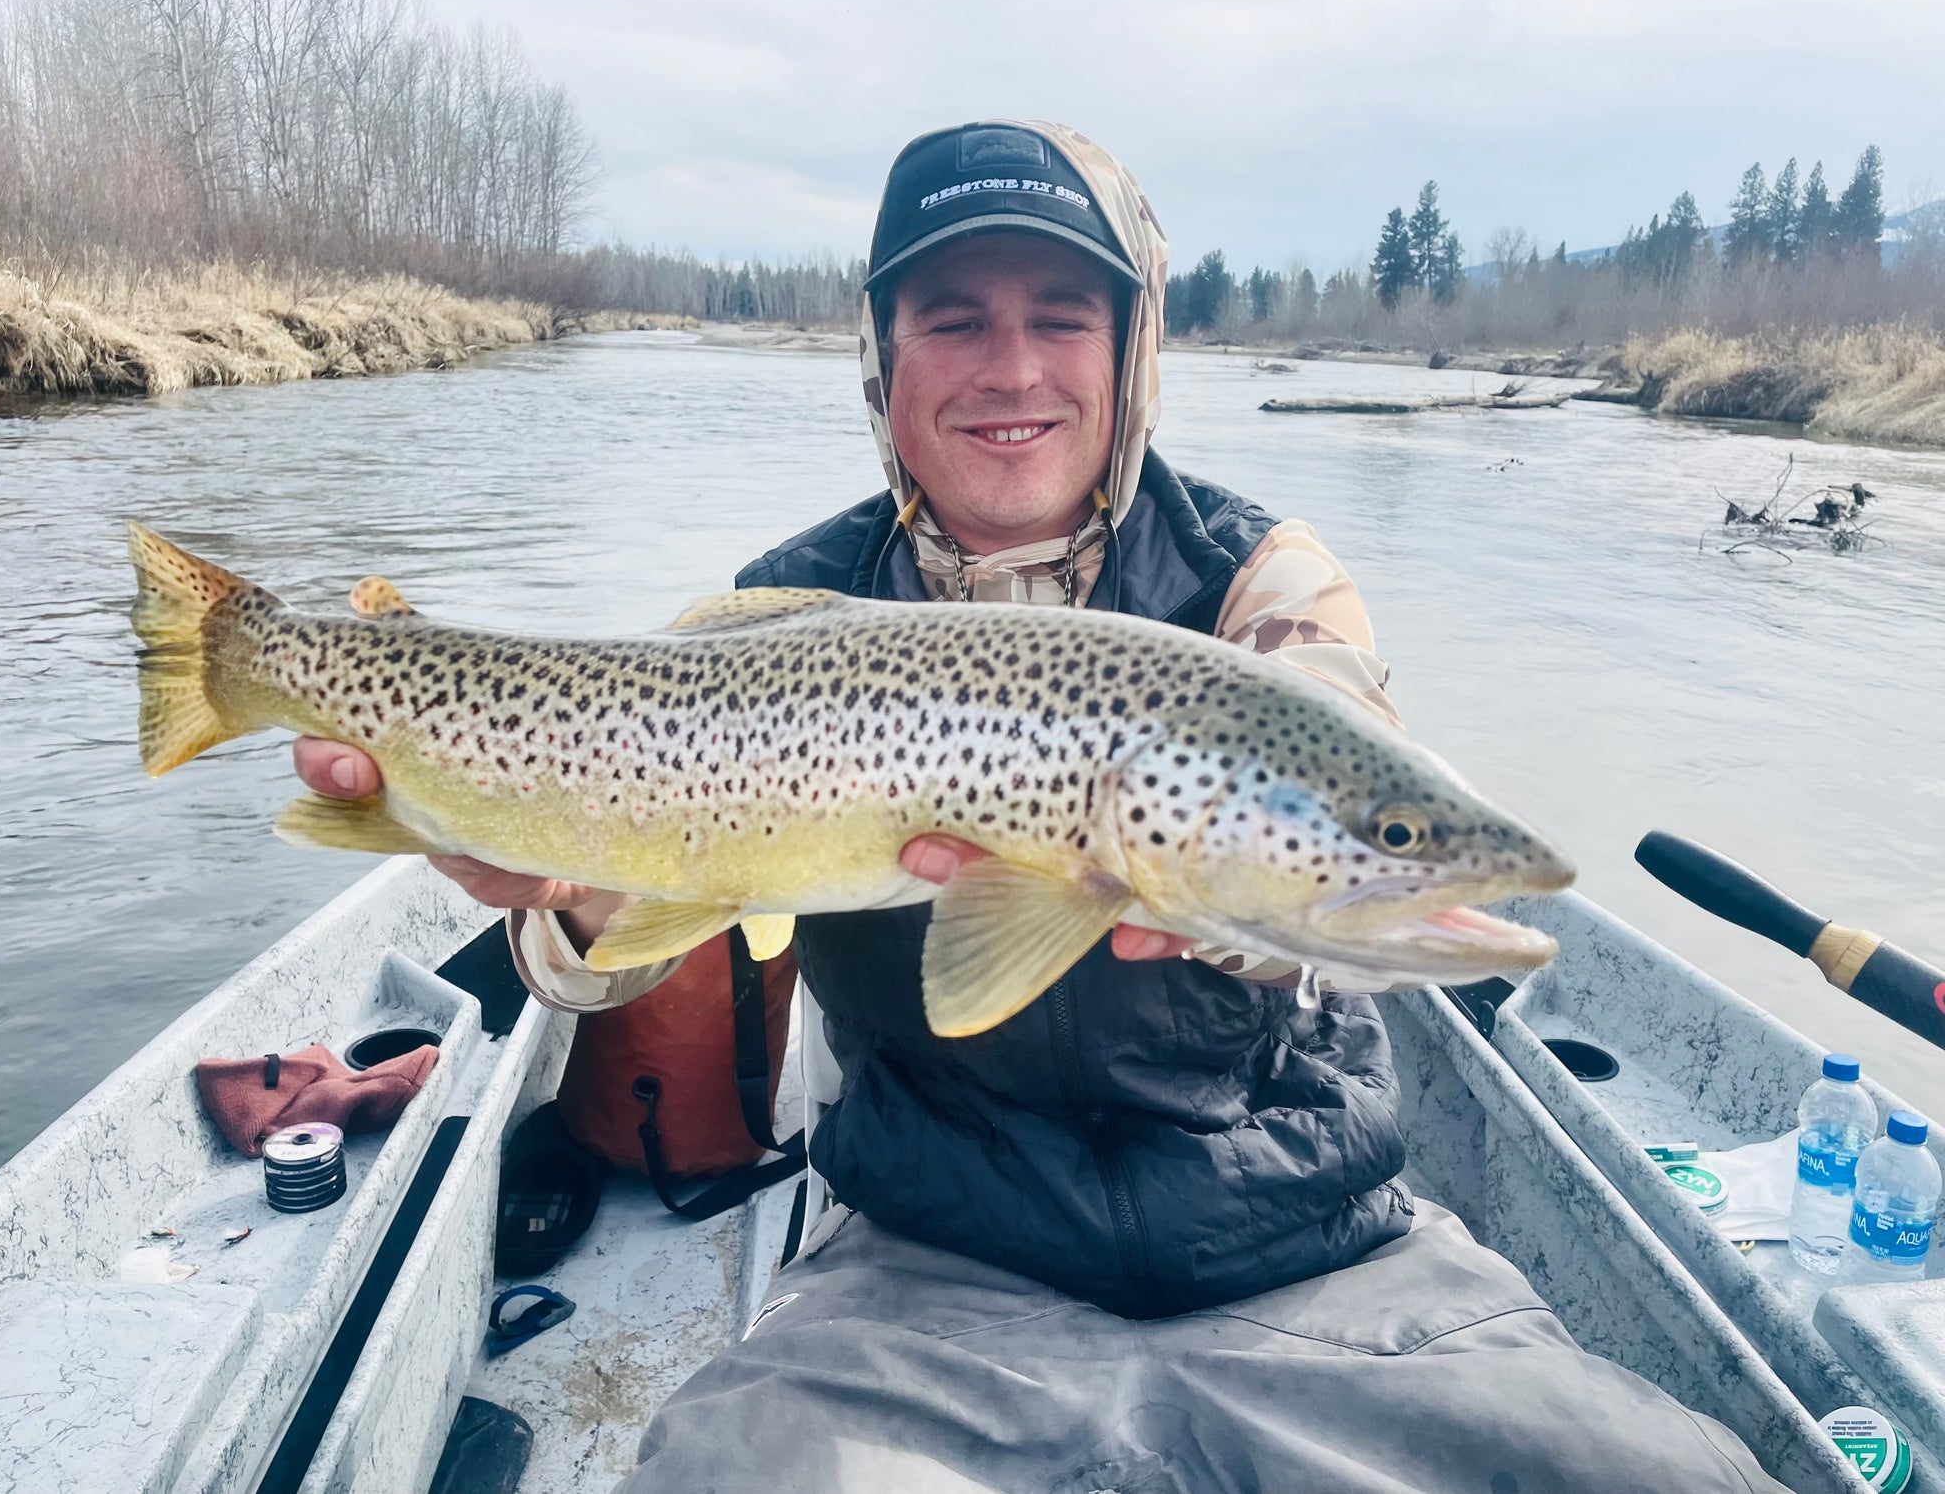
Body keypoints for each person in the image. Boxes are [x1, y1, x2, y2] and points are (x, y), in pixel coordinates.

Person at [295, 122, 1789, 1493]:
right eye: (953, 321)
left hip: (1313, 1250)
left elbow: (1331, 799)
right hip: (931, 1266)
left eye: (1061, 318)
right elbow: (618, 947)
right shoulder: (775, 614)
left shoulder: (1260, 585)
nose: (1011, 370)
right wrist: (562, 894)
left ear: (1131, 354)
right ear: (881, 367)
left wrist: (1255, 929)